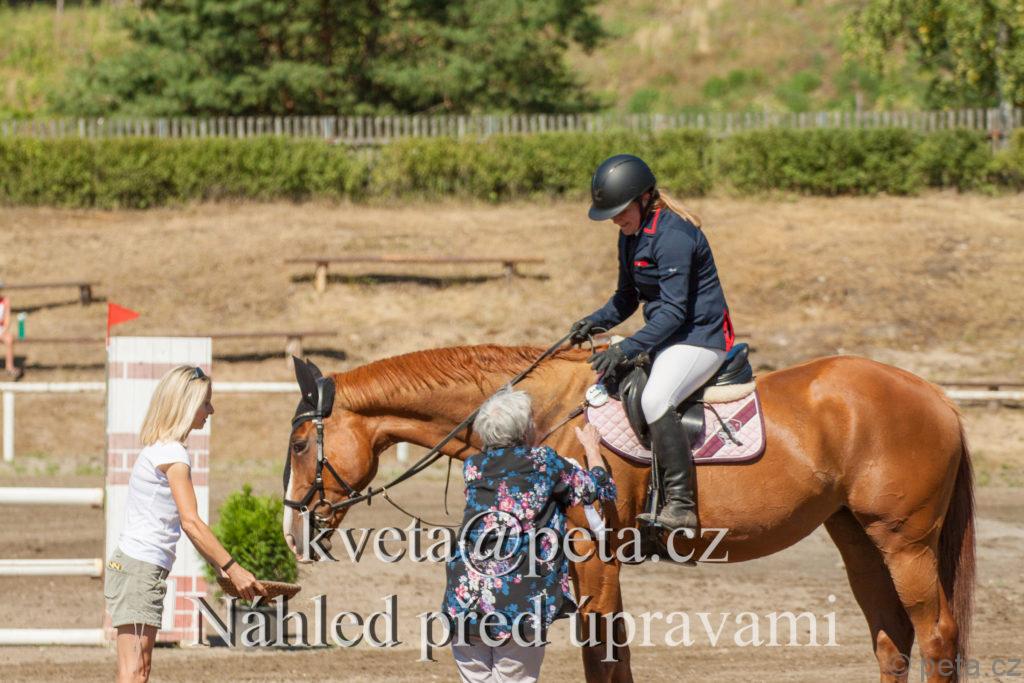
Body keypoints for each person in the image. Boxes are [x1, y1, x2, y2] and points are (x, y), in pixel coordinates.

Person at [568, 154, 735, 534]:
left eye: (620, 211)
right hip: (668, 337)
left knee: (656, 399)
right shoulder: (631, 236)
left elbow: (675, 312)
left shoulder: (673, 236)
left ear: (644, 199)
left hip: (699, 338)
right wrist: (594, 321)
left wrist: (627, 348)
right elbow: (627, 298)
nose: (615, 219)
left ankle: (680, 504)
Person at [442, 387, 615, 683]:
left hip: (465, 597)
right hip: (520, 601)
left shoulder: (472, 467)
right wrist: (592, 448)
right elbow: (599, 488)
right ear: (524, 430)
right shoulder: (544, 462)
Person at [104, 366, 266, 683]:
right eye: (206, 402)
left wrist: (219, 567)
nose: (211, 410)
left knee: (133, 670)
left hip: (133, 567)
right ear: (188, 404)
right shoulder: (174, 455)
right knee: (137, 671)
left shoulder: (160, 448)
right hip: (140, 571)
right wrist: (233, 568)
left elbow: (184, 523)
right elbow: (191, 522)